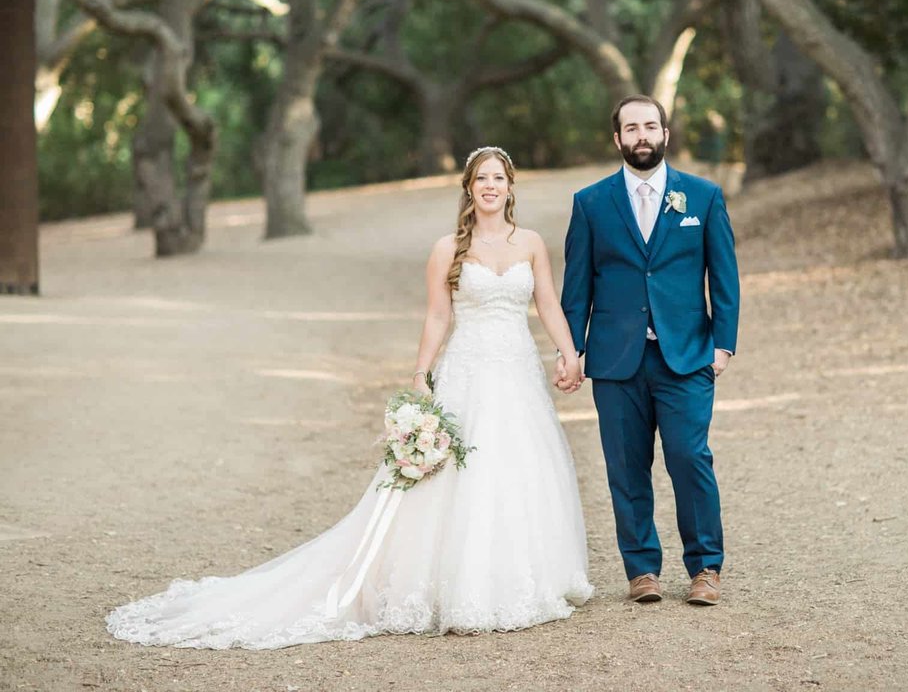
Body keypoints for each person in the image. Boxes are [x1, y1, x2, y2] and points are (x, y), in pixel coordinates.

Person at [106, 146, 593, 649]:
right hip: (467, 373)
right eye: (481, 178)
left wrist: (569, 353)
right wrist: (422, 373)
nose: (490, 186)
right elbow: (437, 316)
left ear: (511, 187)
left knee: (517, 472)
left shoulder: (531, 243)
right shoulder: (448, 247)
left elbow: (548, 305)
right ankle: (454, 587)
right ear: (468, 188)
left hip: (516, 376)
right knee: (456, 479)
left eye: (499, 178)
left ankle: (520, 579)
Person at [558, 95, 739, 606]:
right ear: (617, 139)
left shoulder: (702, 197)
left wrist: (722, 345)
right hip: (616, 360)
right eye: (631, 128)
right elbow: (577, 288)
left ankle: (705, 567)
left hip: (687, 356)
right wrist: (571, 350)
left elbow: (723, 276)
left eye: (650, 126)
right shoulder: (591, 203)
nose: (642, 135)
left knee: (689, 457)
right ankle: (642, 570)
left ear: (665, 133)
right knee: (626, 466)